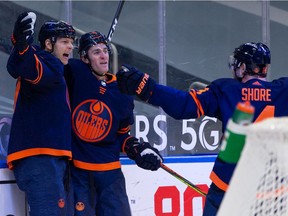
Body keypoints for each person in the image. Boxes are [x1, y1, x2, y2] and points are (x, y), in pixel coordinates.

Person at [116, 42, 288, 215]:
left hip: (228, 188)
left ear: (243, 67)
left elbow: (183, 105)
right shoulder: (284, 90)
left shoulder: (226, 90)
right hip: (271, 193)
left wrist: (147, 88)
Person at [64, 31, 163, 216]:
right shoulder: (75, 74)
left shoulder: (121, 91)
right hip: (79, 174)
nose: (103, 56)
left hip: (110, 176)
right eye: (96, 52)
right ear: (85, 58)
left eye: (105, 51)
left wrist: (136, 148)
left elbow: (121, 135)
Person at [6, 11, 75, 216]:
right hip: (41, 157)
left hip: (48, 157)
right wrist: (22, 45)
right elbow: (24, 65)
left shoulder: (49, 64)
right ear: (48, 44)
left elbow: (18, 64)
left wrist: (22, 48)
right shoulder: (47, 63)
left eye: (71, 42)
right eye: (64, 41)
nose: (70, 47)